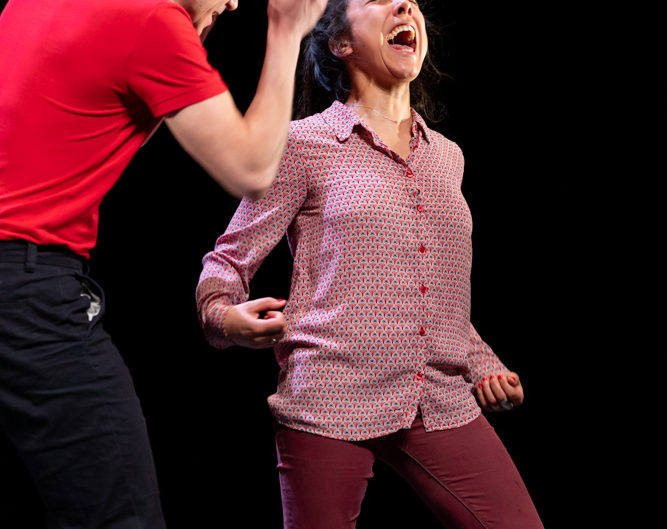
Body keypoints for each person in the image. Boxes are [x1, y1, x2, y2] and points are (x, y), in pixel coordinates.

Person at [196, 1, 545, 528]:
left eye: (412, 0)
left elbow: (437, 292)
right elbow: (228, 258)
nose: (407, 5)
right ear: (341, 44)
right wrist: (223, 318)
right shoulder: (302, 144)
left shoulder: (447, 156)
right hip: (328, 400)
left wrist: (483, 361)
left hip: (439, 397)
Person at [0, 0, 326, 527]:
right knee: (122, 516)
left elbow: (114, 106)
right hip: (25, 290)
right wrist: (286, 32)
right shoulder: (152, 22)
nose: (232, 2)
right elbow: (250, 168)